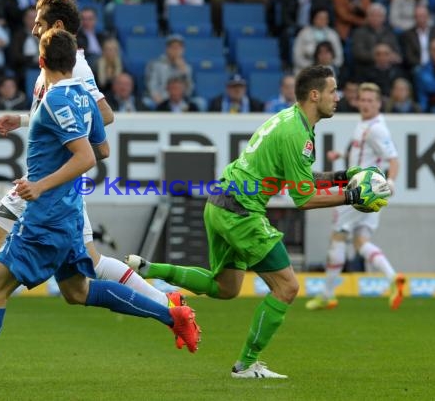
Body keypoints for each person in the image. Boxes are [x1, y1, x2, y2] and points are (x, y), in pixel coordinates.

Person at [0, 28, 200, 398]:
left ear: (41, 62)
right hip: (69, 215)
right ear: (74, 61)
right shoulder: (85, 98)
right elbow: (101, 150)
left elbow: (86, 157)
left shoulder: (54, 101)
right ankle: (171, 314)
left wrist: (40, 185)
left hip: (45, 218)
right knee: (77, 291)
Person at [125, 66, 391, 379]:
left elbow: (301, 180)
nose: (339, 97)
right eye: (333, 91)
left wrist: (343, 176)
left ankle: (148, 269)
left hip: (220, 202)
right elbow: (302, 199)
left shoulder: (290, 121)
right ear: (315, 95)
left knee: (225, 287)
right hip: (242, 211)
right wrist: (352, 197)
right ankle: (246, 364)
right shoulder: (297, 133)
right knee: (288, 287)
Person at [306, 82, 404, 312]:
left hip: (361, 190)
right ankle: (393, 278)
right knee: (361, 242)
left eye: (372, 100)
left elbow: (394, 159)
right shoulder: (365, 125)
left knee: (337, 237)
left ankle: (327, 294)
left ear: (379, 103)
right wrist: (342, 154)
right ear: (357, 101)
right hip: (368, 191)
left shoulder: (378, 129)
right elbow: (367, 155)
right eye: (364, 100)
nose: (367, 104)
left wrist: (391, 183)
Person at [144, 33, 193, 107]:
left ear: (183, 50)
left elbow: (188, 92)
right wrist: (156, 96)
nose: (176, 51)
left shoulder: (186, 68)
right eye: (173, 47)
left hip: (179, 100)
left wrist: (184, 73)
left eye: (179, 48)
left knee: (200, 102)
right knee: (146, 102)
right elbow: (152, 85)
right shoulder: (156, 64)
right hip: (160, 98)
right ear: (167, 49)